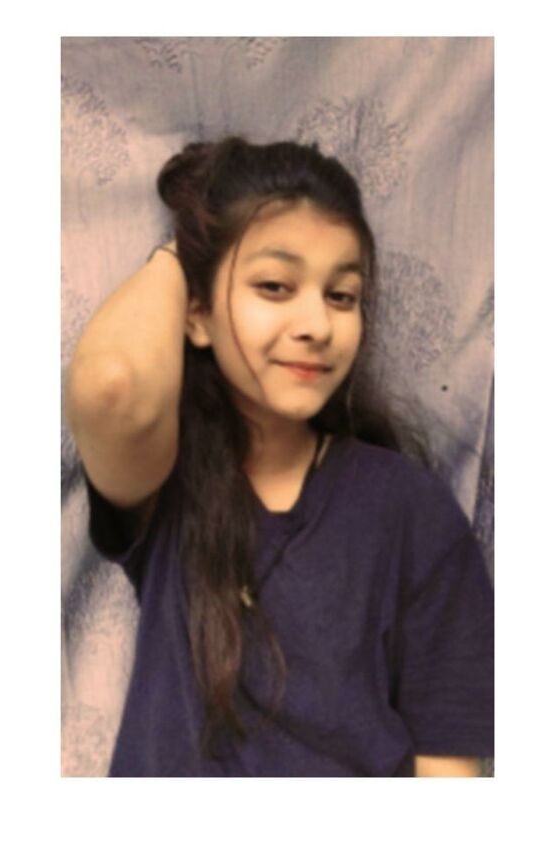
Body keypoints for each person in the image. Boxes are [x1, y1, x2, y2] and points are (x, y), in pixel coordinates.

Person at [65, 137, 494, 777]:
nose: (316, 325)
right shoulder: (166, 481)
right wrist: (183, 248)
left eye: (341, 295)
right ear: (196, 312)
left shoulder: (413, 509)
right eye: (274, 286)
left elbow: (448, 774)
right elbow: (113, 387)